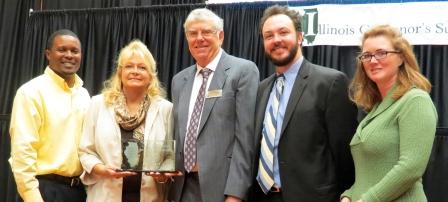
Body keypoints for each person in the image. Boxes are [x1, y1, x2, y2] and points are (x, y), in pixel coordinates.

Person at [249, 5, 358, 202]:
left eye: (283, 32)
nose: (276, 40)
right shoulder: (261, 89)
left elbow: (345, 156)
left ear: (300, 37)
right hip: (263, 196)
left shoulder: (330, 83)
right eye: (269, 36)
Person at [169, 8, 260, 202]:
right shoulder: (179, 81)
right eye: (193, 34)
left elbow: (246, 139)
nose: (199, 38)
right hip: (182, 188)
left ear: (221, 36)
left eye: (206, 32)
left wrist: (236, 194)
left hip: (222, 189)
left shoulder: (243, 71)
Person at [340, 25, 438, 202]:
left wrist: (367, 199)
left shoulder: (415, 100)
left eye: (381, 53)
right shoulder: (376, 109)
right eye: (367, 55)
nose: (373, 60)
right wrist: (349, 195)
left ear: (401, 57)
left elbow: (411, 168)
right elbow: (368, 173)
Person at [78, 40, 174, 202]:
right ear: (120, 72)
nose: (135, 71)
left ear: (151, 76)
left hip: (151, 196)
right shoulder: (98, 104)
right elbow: (85, 151)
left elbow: (170, 156)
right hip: (106, 194)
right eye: (129, 66)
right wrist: (101, 169)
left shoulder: (165, 109)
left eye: (142, 67)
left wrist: (162, 176)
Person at [9, 29, 90, 202]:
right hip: (44, 190)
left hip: (78, 191)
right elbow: (22, 152)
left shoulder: (84, 95)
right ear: (48, 54)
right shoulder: (31, 92)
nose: (69, 55)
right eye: (62, 49)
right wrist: (32, 197)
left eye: (74, 51)